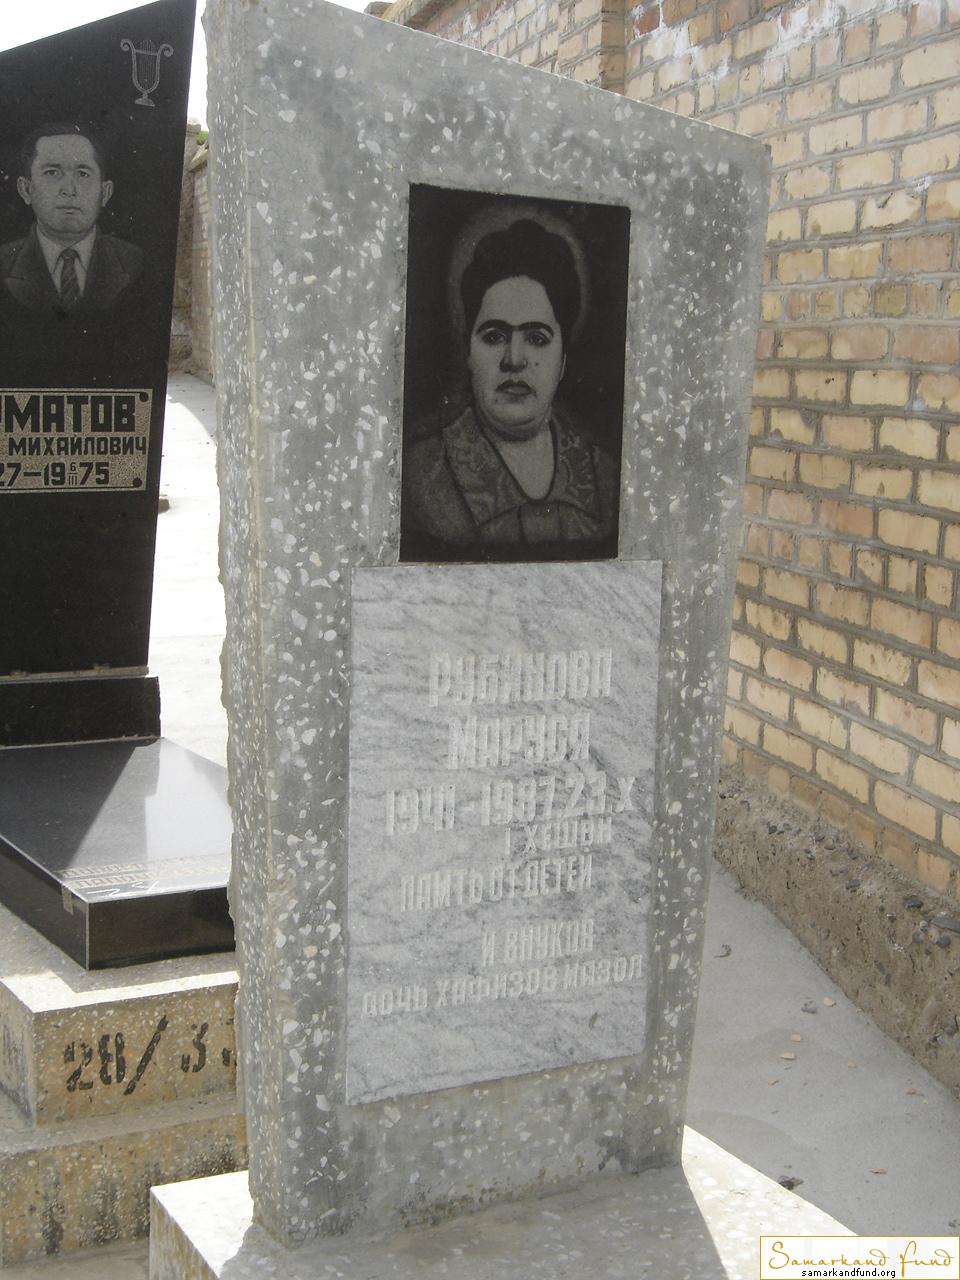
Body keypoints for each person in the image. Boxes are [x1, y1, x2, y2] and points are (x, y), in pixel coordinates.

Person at [401, 214, 619, 562]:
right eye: (493, 336)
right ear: (468, 351)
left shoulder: (605, 477)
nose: (514, 359)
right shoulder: (419, 476)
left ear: (563, 360)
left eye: (537, 338)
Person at [0, 123, 142, 317]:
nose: (69, 189)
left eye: (83, 174)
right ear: (26, 189)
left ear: (105, 192)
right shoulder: (4, 263)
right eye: (52, 172)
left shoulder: (136, 263)